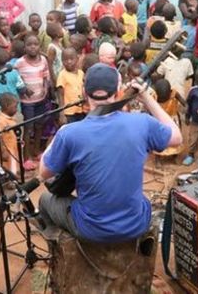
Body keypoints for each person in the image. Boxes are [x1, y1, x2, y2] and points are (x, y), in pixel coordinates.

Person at [37, 63, 182, 242]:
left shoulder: (70, 133)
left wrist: (58, 137)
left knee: (45, 199)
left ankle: (58, 249)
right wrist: (147, 99)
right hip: (136, 223)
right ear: (118, 93)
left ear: (84, 93)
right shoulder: (142, 123)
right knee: (139, 198)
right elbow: (177, 137)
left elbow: (44, 173)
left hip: (91, 229)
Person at [14, 34, 51, 169]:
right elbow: (15, 78)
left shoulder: (43, 61)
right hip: (27, 102)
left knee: (39, 125)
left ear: (39, 46)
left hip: (41, 99)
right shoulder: (19, 63)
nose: (33, 47)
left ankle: (36, 151)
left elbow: (46, 77)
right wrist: (23, 88)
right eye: (29, 45)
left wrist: (46, 88)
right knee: (28, 128)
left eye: (35, 44)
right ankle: (26, 156)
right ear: (25, 47)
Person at [56, 48, 84, 124]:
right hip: (68, 112)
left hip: (81, 110)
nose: (69, 62)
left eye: (72, 59)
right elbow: (60, 96)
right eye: (65, 60)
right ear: (62, 61)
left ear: (77, 59)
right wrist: (62, 114)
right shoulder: (62, 75)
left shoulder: (81, 73)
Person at [0, 93, 20, 175]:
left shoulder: (10, 118)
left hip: (12, 147)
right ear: (7, 106)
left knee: (13, 165)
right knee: (6, 167)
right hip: (6, 149)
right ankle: (8, 182)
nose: (16, 109)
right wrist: (3, 151)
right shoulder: (1, 121)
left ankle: (14, 177)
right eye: (15, 107)